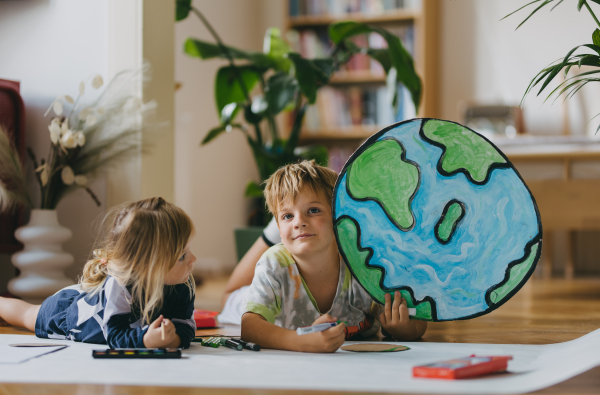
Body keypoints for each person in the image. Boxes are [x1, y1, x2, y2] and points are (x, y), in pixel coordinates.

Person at [241, 160, 428, 353]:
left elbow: (418, 323)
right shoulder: (273, 264)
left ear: (337, 216)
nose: (299, 222)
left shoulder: (364, 265)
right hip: (252, 299)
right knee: (236, 301)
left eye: (313, 210)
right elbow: (249, 327)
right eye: (288, 216)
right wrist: (299, 342)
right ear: (279, 229)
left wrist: (403, 329)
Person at [0, 197, 197, 349]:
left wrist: (173, 339)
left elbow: (186, 325)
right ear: (148, 266)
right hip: (71, 316)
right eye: (181, 256)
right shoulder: (119, 285)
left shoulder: (183, 284)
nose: (193, 259)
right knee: (26, 314)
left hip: (93, 300)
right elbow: (115, 336)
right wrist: (145, 340)